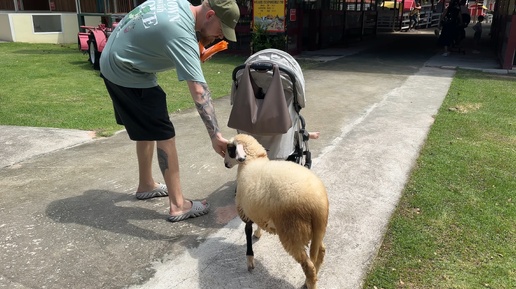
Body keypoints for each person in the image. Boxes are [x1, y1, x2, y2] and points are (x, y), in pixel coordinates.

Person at [99, 0, 240, 222]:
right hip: (126, 71)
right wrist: (216, 136)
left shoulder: (178, 5)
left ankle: (146, 184)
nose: (220, 37)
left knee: (148, 126)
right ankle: (178, 205)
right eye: (221, 30)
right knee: (165, 133)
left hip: (115, 62)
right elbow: (199, 91)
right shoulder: (180, 32)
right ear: (211, 15)